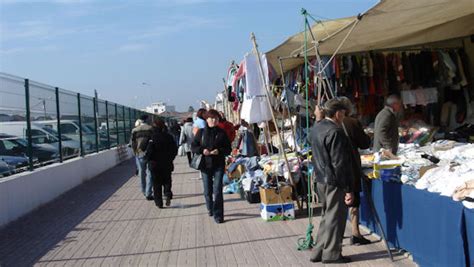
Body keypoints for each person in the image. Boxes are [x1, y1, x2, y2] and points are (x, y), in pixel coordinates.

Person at [309, 98, 354, 264]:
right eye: (343, 113)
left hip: (321, 178)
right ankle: (332, 254)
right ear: (338, 113)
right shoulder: (335, 132)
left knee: (326, 217)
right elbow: (340, 163)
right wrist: (348, 188)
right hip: (334, 181)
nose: (344, 116)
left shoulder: (317, 128)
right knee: (335, 218)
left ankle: (318, 251)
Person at [340, 97, 372, 245]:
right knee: (353, 200)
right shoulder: (351, 122)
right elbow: (364, 143)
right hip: (350, 166)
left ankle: (340, 233)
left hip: (333, 168)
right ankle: (355, 232)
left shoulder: (325, 124)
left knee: (339, 201)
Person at [191, 109, 231, 224]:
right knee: (207, 190)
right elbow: (193, 146)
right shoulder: (201, 132)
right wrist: (202, 150)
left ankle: (218, 215)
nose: (214, 120)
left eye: (216, 118)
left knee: (218, 190)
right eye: (211, 118)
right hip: (205, 165)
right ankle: (210, 207)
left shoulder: (222, 133)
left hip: (218, 164)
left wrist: (219, 151)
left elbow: (228, 149)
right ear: (207, 119)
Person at [146, 119, 178, 208]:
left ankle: (159, 202)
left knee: (156, 184)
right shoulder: (169, 137)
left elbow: (149, 151)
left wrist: (148, 160)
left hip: (155, 164)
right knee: (167, 180)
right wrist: (170, 159)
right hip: (167, 163)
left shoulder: (152, 138)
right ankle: (167, 193)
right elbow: (174, 150)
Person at [130, 114, 154, 200]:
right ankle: (149, 192)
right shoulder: (151, 129)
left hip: (139, 154)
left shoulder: (134, 130)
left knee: (142, 173)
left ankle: (143, 191)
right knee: (150, 173)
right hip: (150, 154)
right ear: (147, 119)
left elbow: (132, 143)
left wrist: (135, 152)